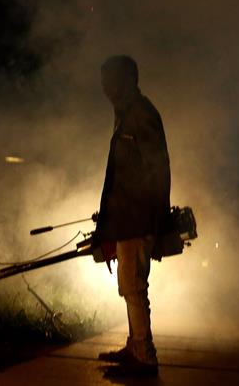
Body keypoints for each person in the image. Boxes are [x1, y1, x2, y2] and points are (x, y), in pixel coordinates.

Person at [95, 55, 171, 376]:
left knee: (134, 286)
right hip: (128, 217)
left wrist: (155, 219)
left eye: (111, 80)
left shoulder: (141, 115)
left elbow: (157, 170)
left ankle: (144, 355)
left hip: (137, 218)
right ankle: (135, 345)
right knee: (129, 284)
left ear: (128, 79)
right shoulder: (127, 115)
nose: (106, 87)